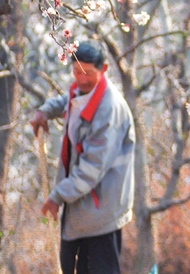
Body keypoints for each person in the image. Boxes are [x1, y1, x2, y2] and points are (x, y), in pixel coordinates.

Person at [31, 40, 135, 274]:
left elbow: (92, 168)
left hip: (102, 208)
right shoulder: (82, 89)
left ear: (104, 70)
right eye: (77, 72)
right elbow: (69, 101)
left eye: (88, 73)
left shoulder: (110, 110)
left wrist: (57, 196)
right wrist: (45, 111)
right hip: (79, 203)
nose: (82, 78)